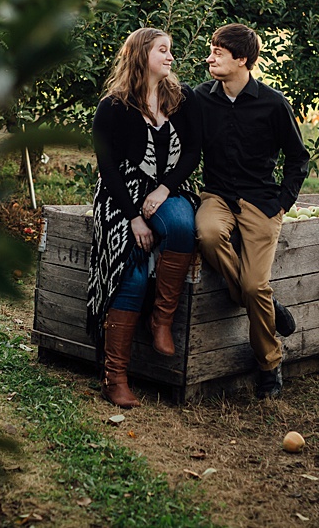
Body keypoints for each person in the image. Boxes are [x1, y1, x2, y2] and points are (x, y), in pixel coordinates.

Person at [85, 27, 202, 409]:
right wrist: (135, 217)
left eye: (171, 50)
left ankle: (161, 320)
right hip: (120, 198)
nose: (170, 57)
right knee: (131, 271)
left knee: (184, 226)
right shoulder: (113, 106)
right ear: (141, 56)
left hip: (164, 189)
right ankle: (114, 377)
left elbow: (191, 155)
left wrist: (164, 189)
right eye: (163, 51)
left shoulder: (179, 100)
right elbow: (108, 168)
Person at [195, 23, 309, 400]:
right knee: (209, 235)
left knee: (253, 284)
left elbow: (298, 158)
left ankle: (269, 365)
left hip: (261, 201)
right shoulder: (200, 99)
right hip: (217, 196)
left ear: (242, 59)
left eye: (218, 52)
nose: (209, 57)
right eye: (211, 49)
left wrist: (282, 203)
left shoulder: (274, 104)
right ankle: (267, 306)